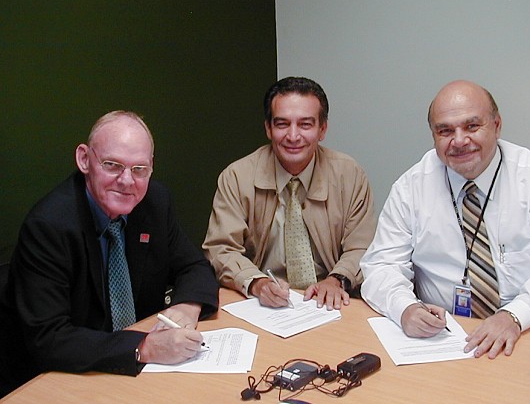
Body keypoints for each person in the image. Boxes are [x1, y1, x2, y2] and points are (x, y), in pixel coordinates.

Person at [360, 80, 530, 359]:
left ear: (497, 126)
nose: (459, 141)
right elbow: (381, 266)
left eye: (472, 126)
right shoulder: (411, 187)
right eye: (445, 131)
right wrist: (405, 308)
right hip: (446, 336)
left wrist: (513, 316)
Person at [0, 111, 219, 395]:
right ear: (84, 159)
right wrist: (144, 347)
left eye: (139, 169)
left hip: (139, 376)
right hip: (62, 378)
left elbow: (194, 266)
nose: (127, 180)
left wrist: (187, 306)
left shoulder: (154, 202)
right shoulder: (49, 225)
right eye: (113, 165)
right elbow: (49, 338)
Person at [203, 77, 376, 311]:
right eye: (282, 124)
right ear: (268, 128)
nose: (293, 136)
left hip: (330, 301)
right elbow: (221, 249)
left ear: (322, 129)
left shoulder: (349, 175)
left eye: (305, 125)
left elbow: (362, 247)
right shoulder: (236, 177)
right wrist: (257, 283)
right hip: (262, 305)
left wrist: (336, 280)